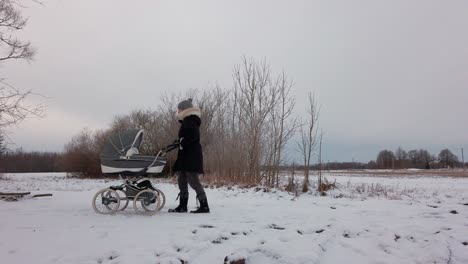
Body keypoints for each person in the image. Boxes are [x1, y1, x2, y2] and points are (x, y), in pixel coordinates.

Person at [168, 98, 210, 213]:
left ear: (184, 109)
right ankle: (182, 206)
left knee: (193, 181)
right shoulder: (187, 120)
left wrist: (182, 142)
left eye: (179, 109)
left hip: (191, 155)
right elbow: (187, 136)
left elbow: (193, 137)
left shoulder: (190, 120)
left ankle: (204, 206)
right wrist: (179, 141)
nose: (178, 111)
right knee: (181, 180)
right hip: (185, 155)